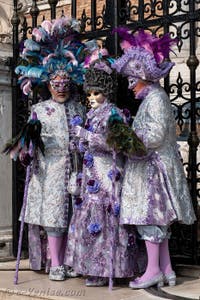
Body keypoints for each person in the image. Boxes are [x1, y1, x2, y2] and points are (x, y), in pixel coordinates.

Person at [112, 28, 196, 289]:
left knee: (151, 220)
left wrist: (129, 139)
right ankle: (166, 269)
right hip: (154, 167)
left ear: (143, 78)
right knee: (158, 223)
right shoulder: (152, 99)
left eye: (132, 79)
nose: (129, 85)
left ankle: (152, 271)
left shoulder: (156, 99)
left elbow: (156, 134)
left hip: (153, 171)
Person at [3, 17, 86, 281]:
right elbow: (25, 144)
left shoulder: (79, 108)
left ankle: (71, 260)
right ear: (47, 84)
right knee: (54, 217)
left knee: (75, 215)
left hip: (76, 168)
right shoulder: (39, 110)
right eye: (56, 84)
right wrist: (26, 150)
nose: (61, 88)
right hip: (49, 170)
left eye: (65, 84)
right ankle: (56, 263)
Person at [64, 45, 141, 288]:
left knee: (106, 219)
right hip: (90, 176)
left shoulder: (114, 114)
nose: (91, 98)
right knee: (88, 220)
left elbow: (117, 145)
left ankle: (110, 268)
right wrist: (77, 141)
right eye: (89, 94)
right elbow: (85, 144)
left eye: (96, 93)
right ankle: (90, 268)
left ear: (105, 92)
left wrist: (87, 137)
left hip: (107, 175)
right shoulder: (90, 115)